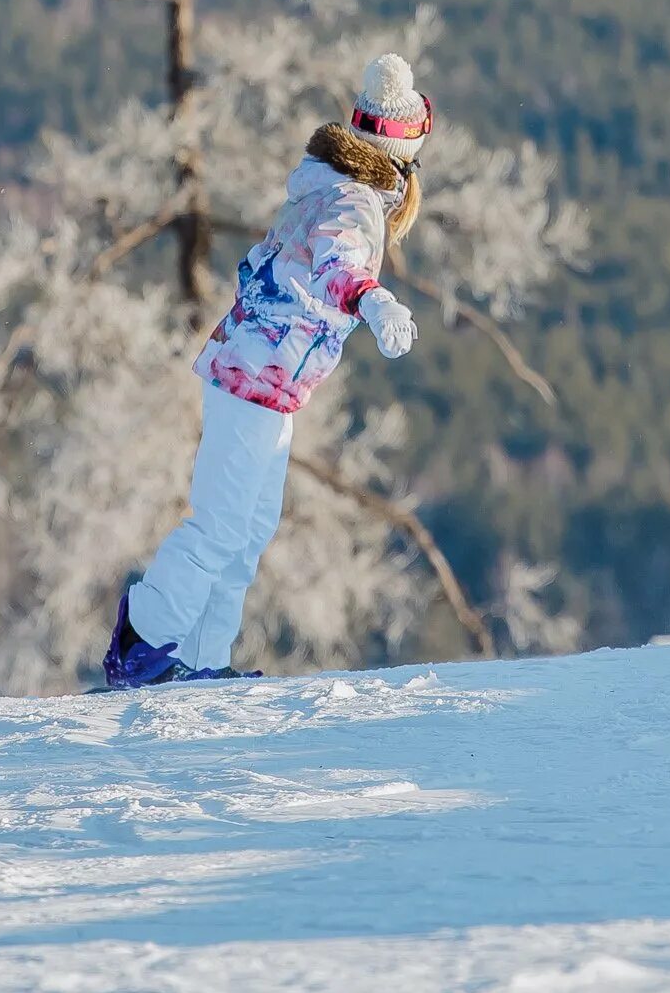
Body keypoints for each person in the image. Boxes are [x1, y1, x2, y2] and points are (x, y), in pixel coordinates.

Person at [103, 53, 431, 688]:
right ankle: (143, 642)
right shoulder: (351, 202)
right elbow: (338, 263)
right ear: (404, 153)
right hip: (256, 375)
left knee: (247, 529)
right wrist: (373, 298)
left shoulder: (336, 188)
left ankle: (199, 656)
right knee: (222, 521)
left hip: (266, 381)